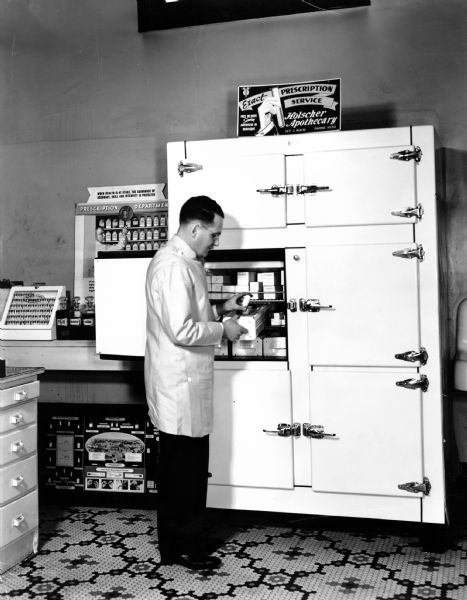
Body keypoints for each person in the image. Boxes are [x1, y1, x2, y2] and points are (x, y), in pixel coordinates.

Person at [144, 195, 248, 570]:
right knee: (181, 472)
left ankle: (187, 540)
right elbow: (182, 328)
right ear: (194, 228)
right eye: (214, 234)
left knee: (187, 467)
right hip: (178, 384)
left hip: (186, 381)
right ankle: (180, 548)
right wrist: (225, 329)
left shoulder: (186, 263)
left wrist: (222, 308)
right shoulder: (172, 266)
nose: (215, 241)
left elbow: (189, 312)